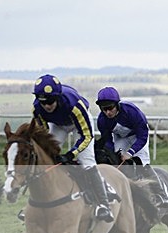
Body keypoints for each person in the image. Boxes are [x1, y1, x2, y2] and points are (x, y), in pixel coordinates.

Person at [31, 74, 113, 222]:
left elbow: (86, 136)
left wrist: (70, 154)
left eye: (50, 101)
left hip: (79, 124)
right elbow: (42, 135)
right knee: (46, 158)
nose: (47, 106)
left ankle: (103, 204)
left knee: (86, 161)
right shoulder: (37, 108)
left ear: (57, 97)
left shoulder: (74, 105)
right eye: (43, 102)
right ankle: (42, 202)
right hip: (58, 125)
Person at [95, 86, 168, 207]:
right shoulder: (102, 120)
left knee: (143, 165)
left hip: (138, 136)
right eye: (104, 109)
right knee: (116, 162)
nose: (107, 112)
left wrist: (130, 153)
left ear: (117, 105)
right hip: (121, 138)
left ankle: (162, 194)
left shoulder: (131, 111)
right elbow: (107, 141)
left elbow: (143, 135)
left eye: (110, 108)